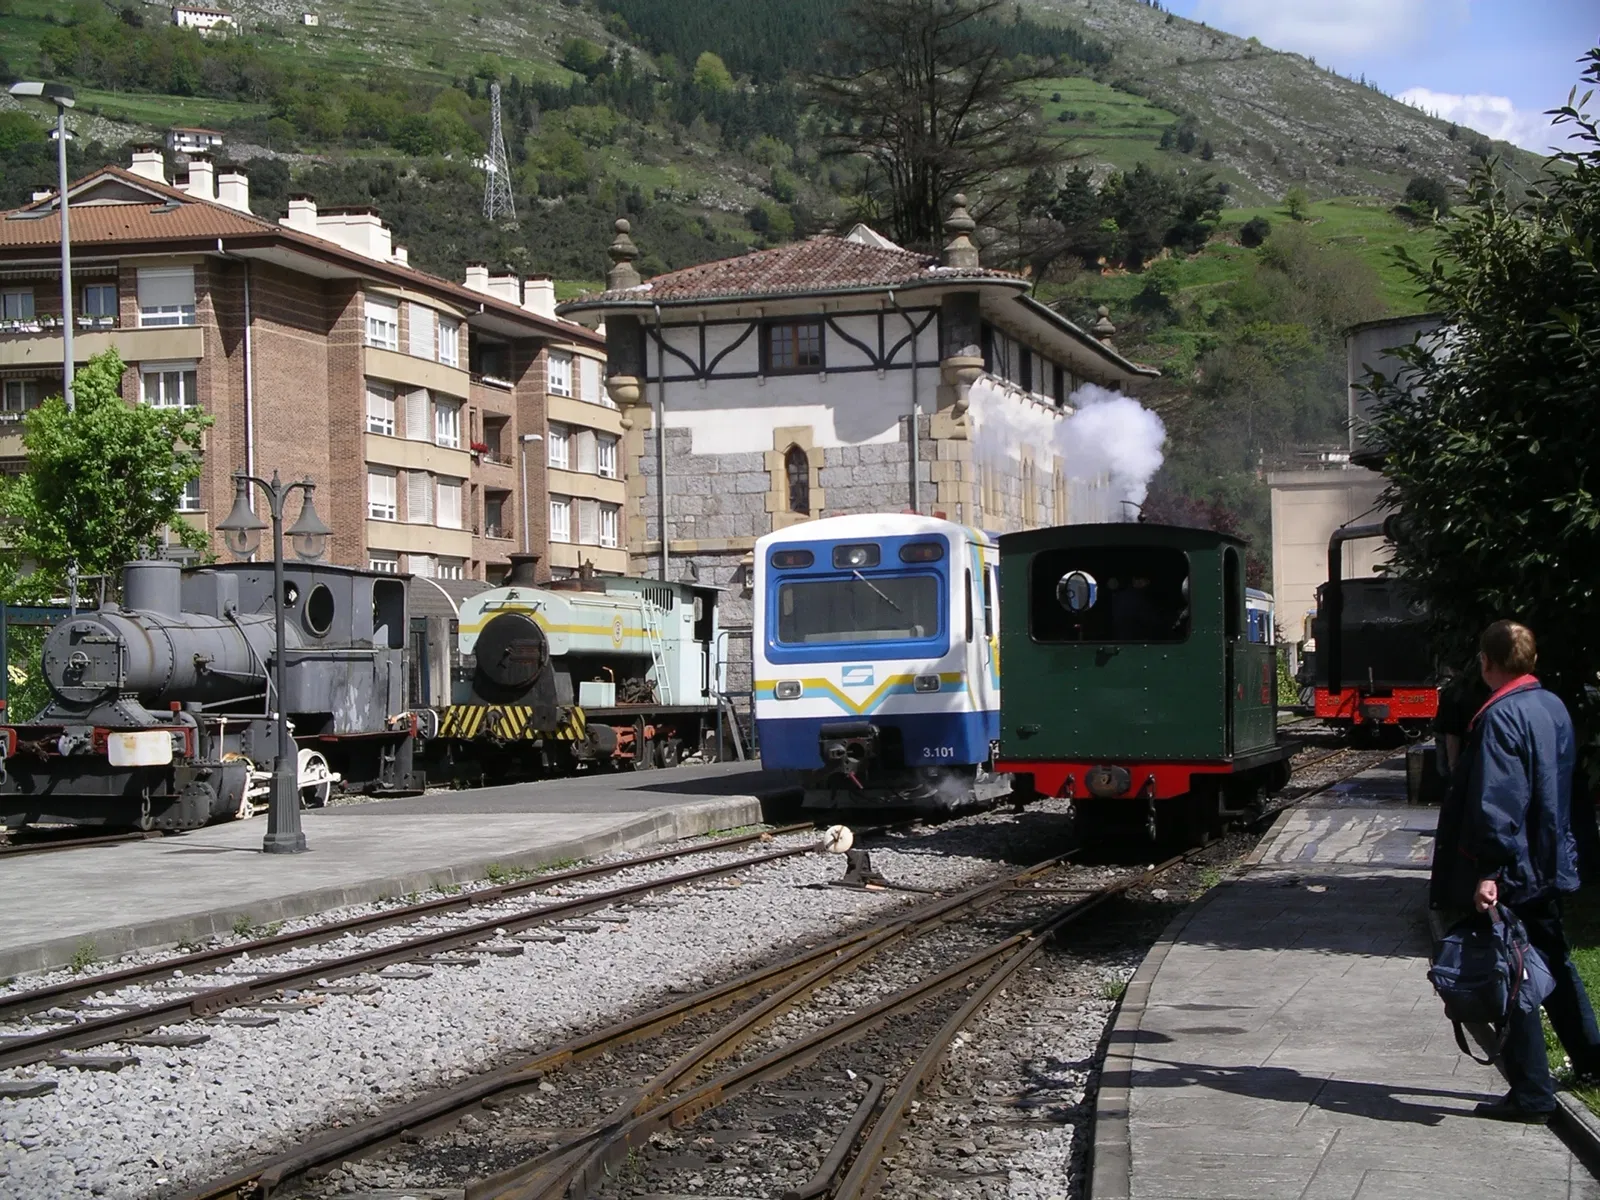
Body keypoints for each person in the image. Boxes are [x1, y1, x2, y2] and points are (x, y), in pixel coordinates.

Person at [1458, 620, 1600, 1121]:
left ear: (1487, 662)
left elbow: (1500, 801)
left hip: (1515, 864)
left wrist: (1489, 871)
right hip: (1548, 859)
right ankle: (1591, 1057)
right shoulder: (1552, 706)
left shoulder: (1501, 717)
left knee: (1512, 974)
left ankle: (1532, 1093)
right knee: (1555, 960)